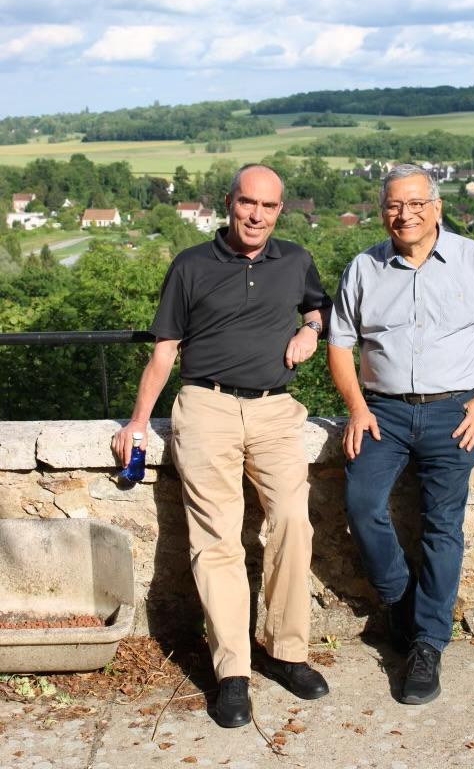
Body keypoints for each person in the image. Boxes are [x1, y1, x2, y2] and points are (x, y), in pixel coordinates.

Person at [112, 164, 332, 729]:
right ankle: (232, 673)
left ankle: (286, 653)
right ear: (228, 204)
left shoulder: (297, 260)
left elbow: (320, 306)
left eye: (269, 206)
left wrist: (311, 329)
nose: (257, 215)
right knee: (217, 540)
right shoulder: (190, 265)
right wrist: (138, 423)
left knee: (292, 523)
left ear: (281, 211)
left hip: (275, 409)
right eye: (247, 204)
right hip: (206, 406)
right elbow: (164, 351)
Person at [327, 164, 474, 705]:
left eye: (415, 204)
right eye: (393, 204)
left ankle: (428, 647)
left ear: (436, 208)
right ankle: (405, 604)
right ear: (381, 209)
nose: (404, 214)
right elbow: (339, 345)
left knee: (443, 527)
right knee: (361, 503)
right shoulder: (365, 267)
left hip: (453, 413)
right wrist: (356, 405)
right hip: (383, 413)